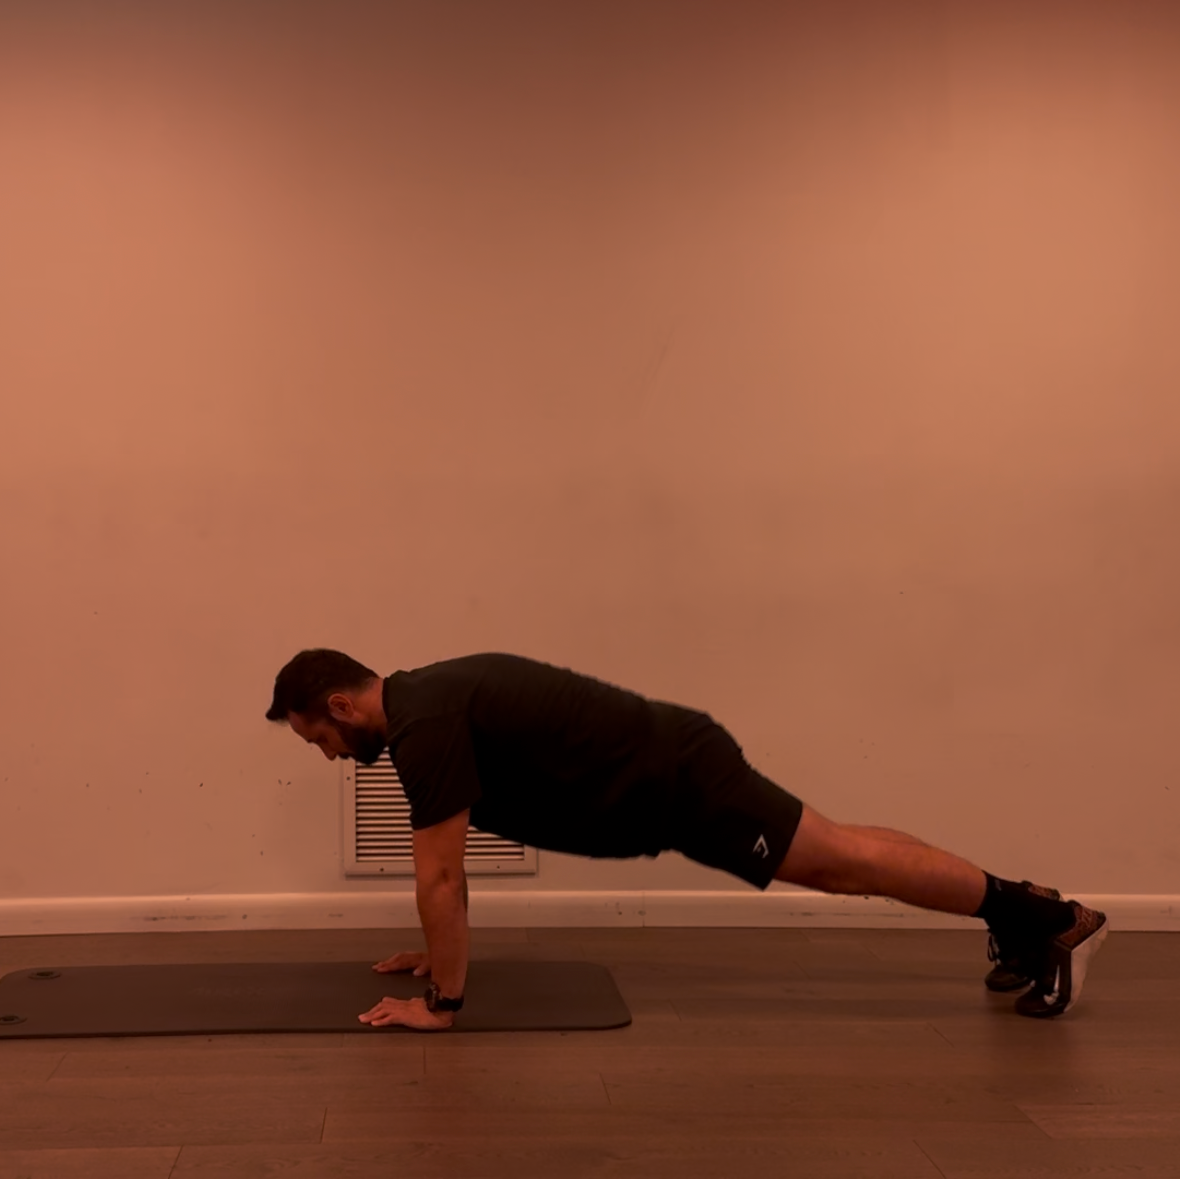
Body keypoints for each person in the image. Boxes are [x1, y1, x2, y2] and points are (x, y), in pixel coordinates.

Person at [266, 649, 1108, 1032]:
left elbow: (440, 881)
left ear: (340, 705)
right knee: (837, 851)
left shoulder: (423, 725)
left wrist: (443, 1006)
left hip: (676, 780)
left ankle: (1047, 917)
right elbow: (444, 877)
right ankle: (1023, 908)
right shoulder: (427, 705)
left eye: (321, 740)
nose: (334, 758)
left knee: (838, 862)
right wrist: (432, 951)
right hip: (671, 770)